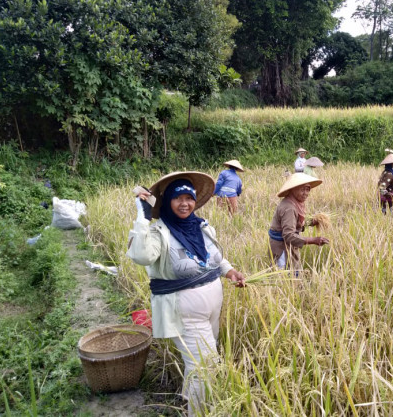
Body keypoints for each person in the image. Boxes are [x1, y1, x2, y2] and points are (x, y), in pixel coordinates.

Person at [126, 172, 246, 415]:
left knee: (201, 365)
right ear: (168, 201)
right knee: (205, 366)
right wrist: (143, 218)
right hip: (184, 313)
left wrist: (230, 271)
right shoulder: (160, 232)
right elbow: (141, 256)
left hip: (212, 308)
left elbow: (213, 258)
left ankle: (195, 404)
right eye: (177, 198)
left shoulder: (201, 227)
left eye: (189, 198)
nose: (185, 203)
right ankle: (199, 412)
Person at [268, 173, 329, 275]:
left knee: (292, 270)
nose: (306, 193)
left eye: (308, 189)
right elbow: (288, 235)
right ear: (293, 189)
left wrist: (312, 222)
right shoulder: (289, 208)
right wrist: (313, 240)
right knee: (282, 274)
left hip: (288, 244)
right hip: (281, 247)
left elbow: (295, 222)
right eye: (302, 189)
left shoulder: (295, 203)